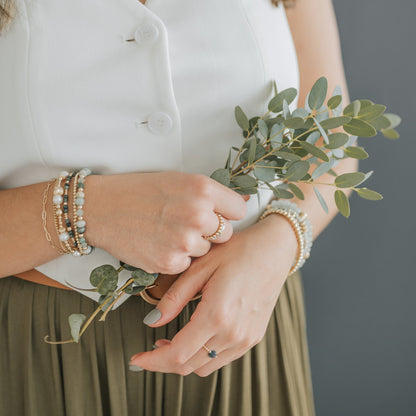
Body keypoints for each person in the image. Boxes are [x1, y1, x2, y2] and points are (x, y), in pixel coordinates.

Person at [0, 0, 358, 415]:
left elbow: (333, 146)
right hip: (41, 351)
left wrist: (278, 244)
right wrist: (87, 211)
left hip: (241, 335)